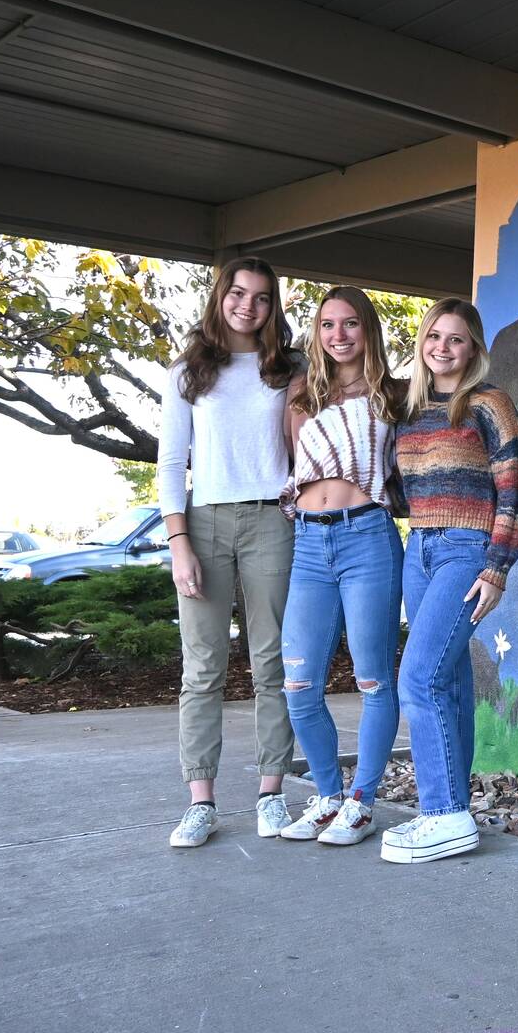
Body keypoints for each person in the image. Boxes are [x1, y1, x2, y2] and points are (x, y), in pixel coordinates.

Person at [381, 297, 518, 864]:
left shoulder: (489, 405)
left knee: (417, 678)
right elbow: (400, 488)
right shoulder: (409, 407)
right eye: (434, 337)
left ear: (473, 349)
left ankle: (442, 814)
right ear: (422, 342)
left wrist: (497, 568)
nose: (442, 348)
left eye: (456, 339)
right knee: (448, 683)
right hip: (417, 547)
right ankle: (455, 810)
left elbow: (516, 486)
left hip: (466, 552)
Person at [158, 258, 302, 848]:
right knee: (203, 669)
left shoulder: (290, 369)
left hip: (273, 520)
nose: (249, 305)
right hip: (205, 524)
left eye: (262, 298)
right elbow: (170, 463)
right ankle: (201, 802)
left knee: (273, 665)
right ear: (220, 297)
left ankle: (271, 794)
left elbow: (309, 442)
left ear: (273, 307)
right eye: (238, 294)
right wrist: (178, 543)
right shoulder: (187, 372)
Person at [275, 287, 407, 847]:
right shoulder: (301, 394)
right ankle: (327, 796)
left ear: (367, 330)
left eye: (350, 324)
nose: (338, 335)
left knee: (373, 678)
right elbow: (291, 463)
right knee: (298, 682)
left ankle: (362, 802)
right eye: (327, 325)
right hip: (308, 544)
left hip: (368, 539)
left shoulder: (395, 395)